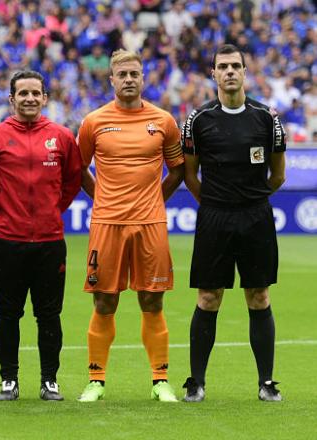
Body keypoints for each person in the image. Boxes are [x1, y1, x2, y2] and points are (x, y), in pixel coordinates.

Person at [76, 49, 185, 403]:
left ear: (143, 78)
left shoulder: (163, 121)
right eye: (121, 74)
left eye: (134, 74)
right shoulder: (93, 121)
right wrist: (101, 200)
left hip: (151, 222)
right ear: (111, 79)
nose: (128, 80)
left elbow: (178, 169)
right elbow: (79, 169)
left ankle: (160, 381)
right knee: (104, 301)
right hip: (107, 223)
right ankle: (96, 380)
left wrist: (155, 200)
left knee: (152, 300)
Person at [181, 44, 286, 402]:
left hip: (256, 216)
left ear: (245, 71)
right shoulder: (198, 119)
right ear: (213, 73)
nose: (229, 71)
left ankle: (266, 382)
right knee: (209, 297)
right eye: (222, 66)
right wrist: (215, 203)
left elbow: (279, 174)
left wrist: (250, 199)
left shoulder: (266, 118)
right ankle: (196, 382)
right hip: (214, 217)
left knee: (258, 295)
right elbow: (190, 175)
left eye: (235, 66)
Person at [0, 70, 81, 401]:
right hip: (8, 241)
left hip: (49, 241)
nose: (30, 98)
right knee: (7, 314)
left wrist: (51, 210)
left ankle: (49, 380)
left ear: (45, 98)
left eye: (36, 93)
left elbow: (73, 181)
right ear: (11, 99)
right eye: (23, 93)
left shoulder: (61, 136)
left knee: (49, 314)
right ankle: (9, 379)